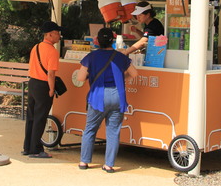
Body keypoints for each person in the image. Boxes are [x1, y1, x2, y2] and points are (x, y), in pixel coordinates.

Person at [77, 27, 138, 172]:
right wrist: (123, 78)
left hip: (98, 96)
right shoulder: (121, 57)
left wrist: (90, 77)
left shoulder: (91, 57)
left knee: (90, 130)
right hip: (118, 97)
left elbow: (79, 78)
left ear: (97, 41)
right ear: (112, 41)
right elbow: (134, 74)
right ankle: (109, 164)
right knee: (113, 132)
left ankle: (84, 162)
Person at [23, 21, 63, 158]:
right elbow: (51, 74)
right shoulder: (52, 51)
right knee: (40, 117)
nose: (59, 36)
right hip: (43, 85)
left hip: (33, 82)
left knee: (31, 116)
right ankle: (35, 149)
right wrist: (52, 89)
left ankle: (27, 147)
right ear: (49, 35)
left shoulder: (36, 47)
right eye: (57, 33)